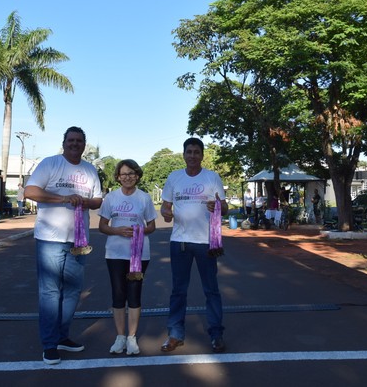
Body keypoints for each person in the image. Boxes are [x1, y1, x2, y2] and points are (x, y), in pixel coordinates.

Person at [24, 126, 103, 365]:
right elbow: (30, 190)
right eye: (71, 140)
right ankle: (49, 345)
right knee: (50, 292)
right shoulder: (50, 164)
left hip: (78, 241)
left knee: (72, 292)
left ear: (84, 144)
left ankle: (61, 336)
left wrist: (82, 200)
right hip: (50, 239)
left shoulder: (90, 170)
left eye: (79, 141)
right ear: (64, 142)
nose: (74, 144)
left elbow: (98, 200)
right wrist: (64, 198)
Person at [160, 137, 228, 354]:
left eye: (196, 152)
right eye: (189, 152)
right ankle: (175, 334)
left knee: (211, 290)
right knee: (178, 291)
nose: (192, 156)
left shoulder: (212, 177)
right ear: (183, 154)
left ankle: (216, 334)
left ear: (202, 155)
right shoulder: (174, 177)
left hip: (206, 242)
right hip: (179, 241)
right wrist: (165, 213)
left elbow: (224, 207)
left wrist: (217, 205)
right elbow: (165, 206)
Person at [98, 159, 156, 356]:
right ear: (118, 177)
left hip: (139, 253)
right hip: (115, 253)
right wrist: (117, 230)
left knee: (134, 293)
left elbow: (152, 226)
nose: (128, 177)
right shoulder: (111, 198)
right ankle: (120, 336)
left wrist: (140, 230)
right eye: (123, 174)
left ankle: (131, 338)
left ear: (137, 175)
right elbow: (102, 226)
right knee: (118, 293)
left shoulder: (144, 198)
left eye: (131, 173)